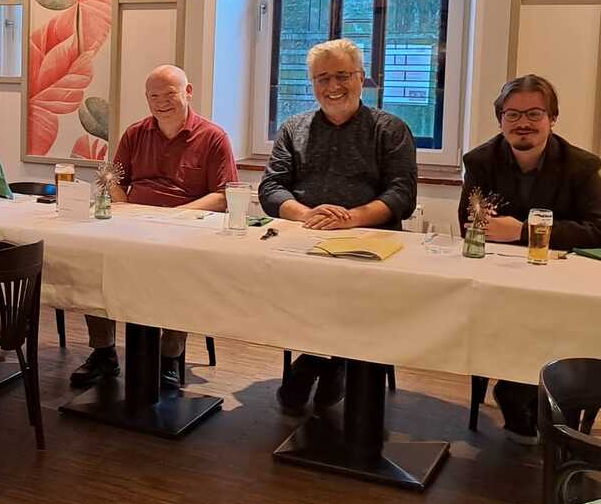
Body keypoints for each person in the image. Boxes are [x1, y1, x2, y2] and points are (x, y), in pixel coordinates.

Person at [259, 38, 418, 416]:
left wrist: (351, 217)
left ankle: (316, 363)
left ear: (362, 78)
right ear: (313, 83)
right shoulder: (293, 128)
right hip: (304, 241)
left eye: (343, 76)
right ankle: (333, 363)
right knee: (271, 286)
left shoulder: (390, 129)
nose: (333, 86)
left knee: (354, 300)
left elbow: (402, 194)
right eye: (323, 78)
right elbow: (271, 188)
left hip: (371, 246)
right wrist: (306, 215)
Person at [460, 74, 601, 444]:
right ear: (500, 120)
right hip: (502, 280)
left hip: (564, 280)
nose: (523, 123)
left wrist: (522, 230)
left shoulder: (580, 165)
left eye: (534, 113)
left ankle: (546, 394)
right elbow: (472, 225)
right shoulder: (480, 161)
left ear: (552, 119)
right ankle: (515, 389)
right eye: (513, 114)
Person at [70, 65, 239, 391]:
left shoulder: (213, 137)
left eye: (170, 94)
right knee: (94, 264)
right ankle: (104, 352)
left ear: (188, 92)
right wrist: (126, 209)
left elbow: (223, 196)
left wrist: (174, 218)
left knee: (180, 277)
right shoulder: (135, 133)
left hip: (185, 230)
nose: (161, 102)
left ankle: (169, 357)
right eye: (154, 96)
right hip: (133, 224)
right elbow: (114, 179)